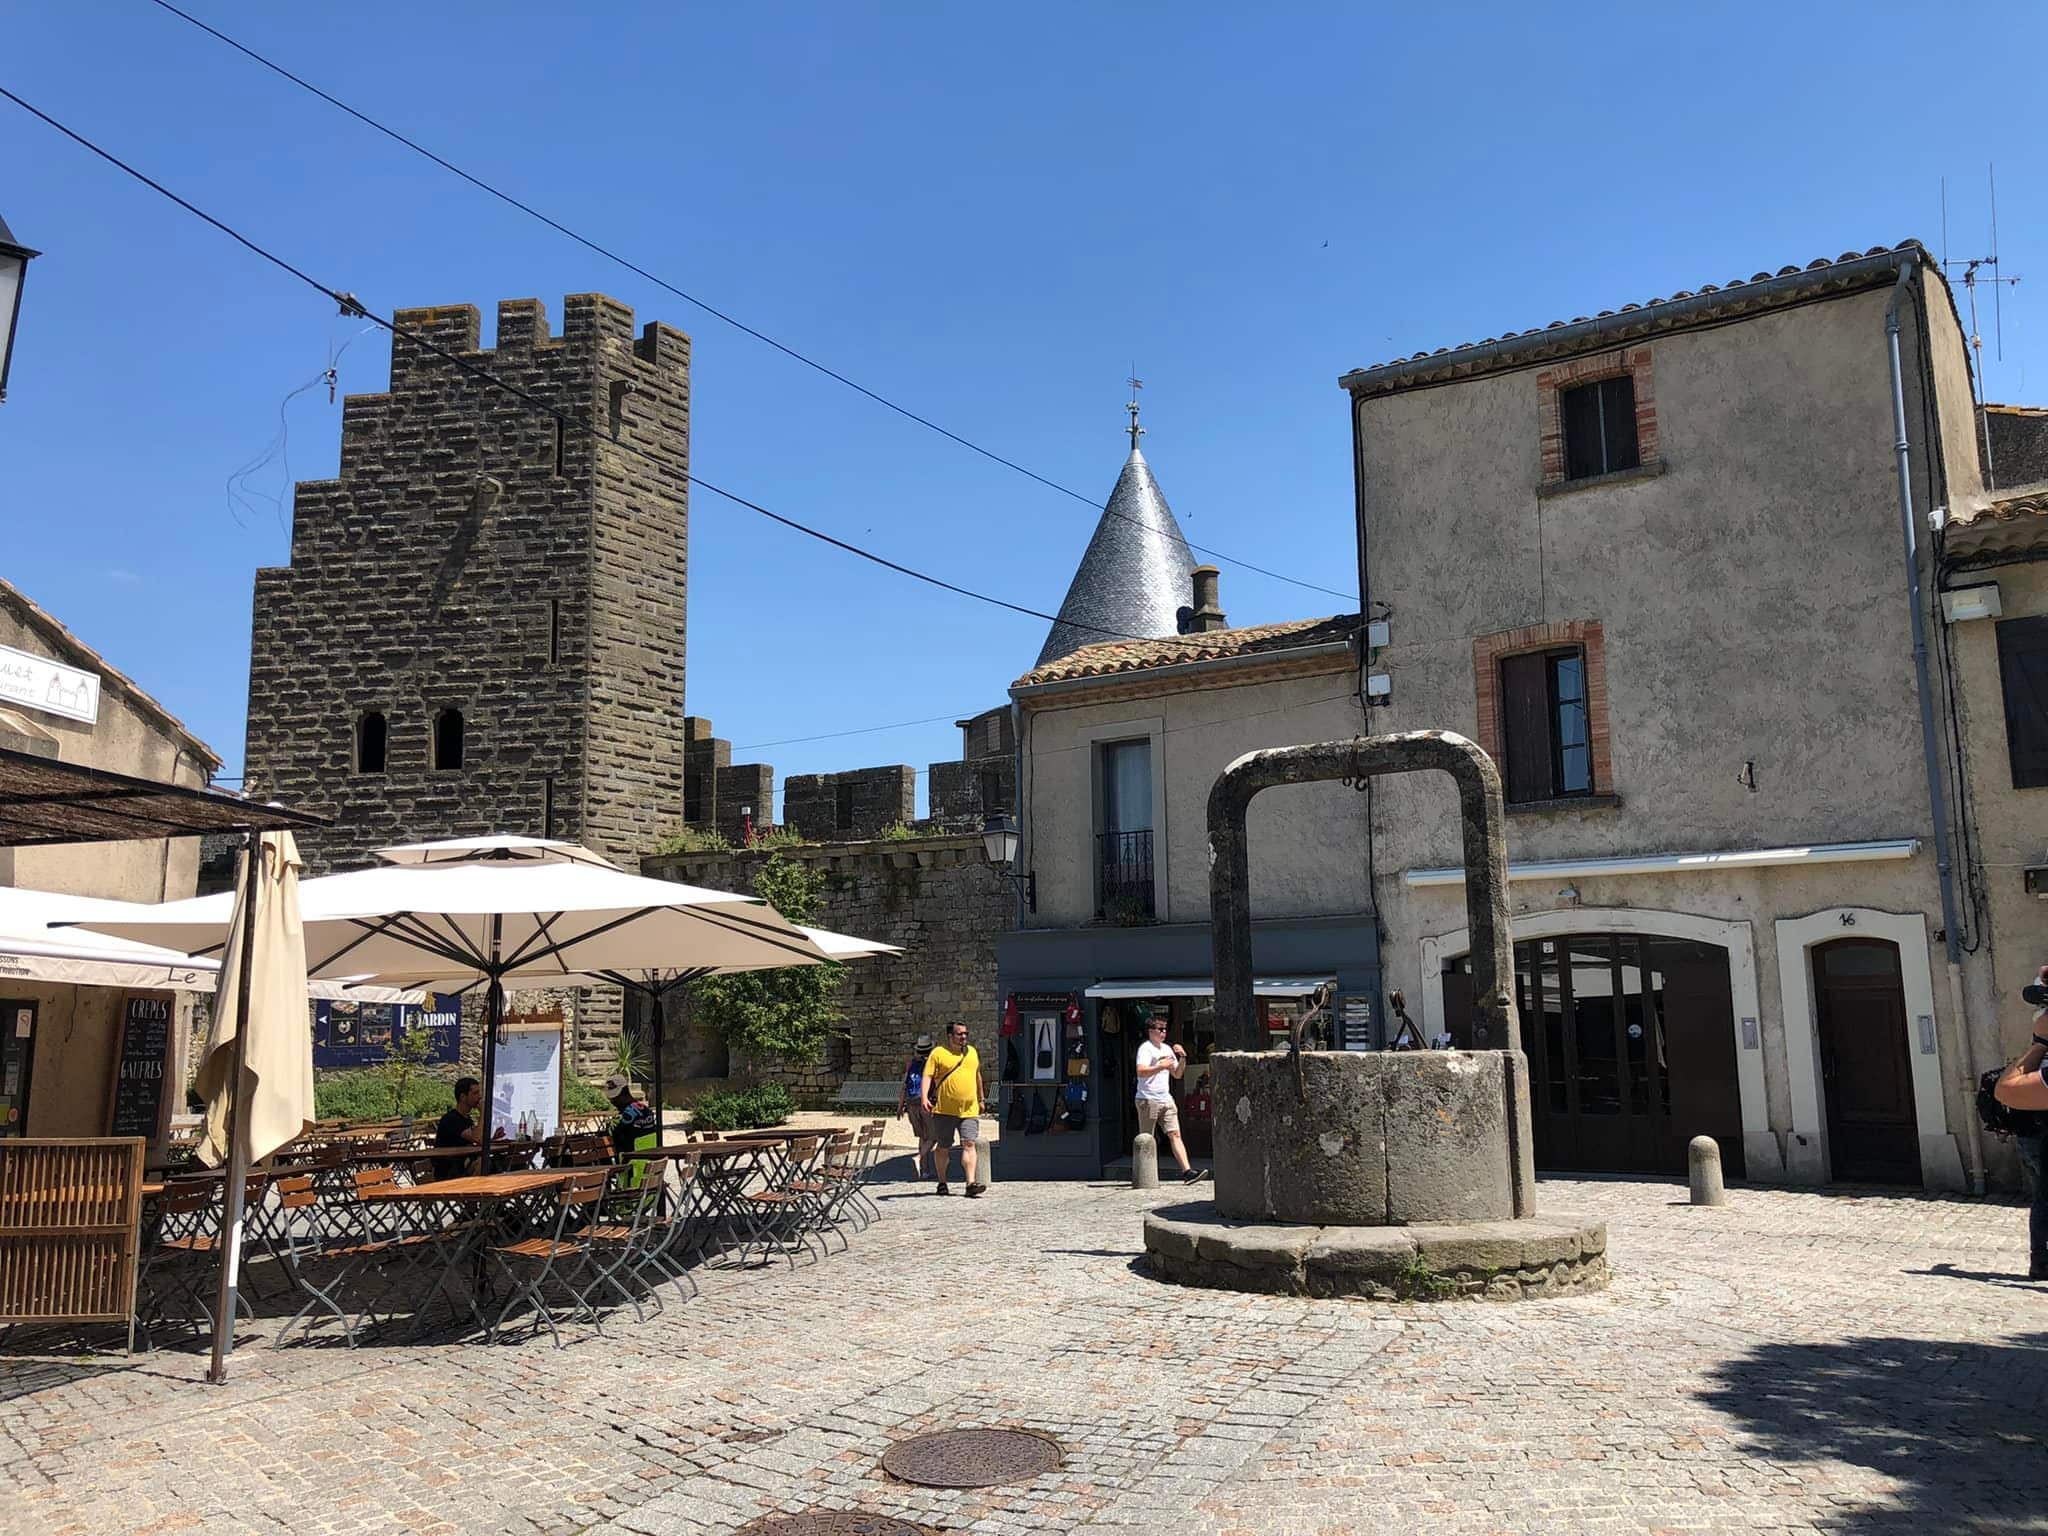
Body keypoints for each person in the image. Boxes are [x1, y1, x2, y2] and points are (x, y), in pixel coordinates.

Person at [1992, 968, 2048, 1280]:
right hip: (2036, 1128)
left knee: (2043, 1196)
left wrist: (2039, 1043)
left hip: (2036, 1126)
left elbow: (2007, 1090)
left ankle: (2041, 1260)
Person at [921, 1020, 987, 1198]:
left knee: (969, 1143)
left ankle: (970, 1184)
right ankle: (942, 1182)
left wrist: (981, 1098)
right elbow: (927, 1075)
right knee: (943, 1147)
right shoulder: (938, 1053)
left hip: (969, 1109)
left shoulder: (972, 1052)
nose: (963, 1037)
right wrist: (924, 1097)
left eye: (965, 1033)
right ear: (950, 1036)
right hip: (944, 1110)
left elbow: (977, 1076)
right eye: (959, 1034)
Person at [1135, 1016, 1201, 1183]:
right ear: (1151, 1031)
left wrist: (1183, 1058)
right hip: (1148, 1099)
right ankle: (1145, 1176)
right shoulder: (1145, 1049)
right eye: (1160, 1029)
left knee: (1175, 1134)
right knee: (1147, 1138)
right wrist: (1160, 1066)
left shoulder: (1166, 1049)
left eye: (1165, 1029)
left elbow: (1177, 1074)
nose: (1163, 1032)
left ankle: (1187, 1172)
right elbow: (1141, 1071)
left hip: (1166, 1098)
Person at [433, 1075, 504, 1177]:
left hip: (463, 1166)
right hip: (450, 1171)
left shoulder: (467, 1119)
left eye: (479, 1093)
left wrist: (493, 1139)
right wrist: (483, 1112)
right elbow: (477, 1139)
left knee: (501, 1160)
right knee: (484, 1163)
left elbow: (476, 1141)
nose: (479, 1097)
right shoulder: (451, 1119)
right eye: (475, 1093)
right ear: (463, 1097)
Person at [898, 1032, 935, 1178]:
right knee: (934, 1136)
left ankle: (924, 1171)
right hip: (926, 1103)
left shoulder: (911, 1064)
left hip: (911, 1103)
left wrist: (900, 1106)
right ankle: (918, 1158)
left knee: (922, 1136)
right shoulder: (931, 1064)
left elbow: (904, 1085)